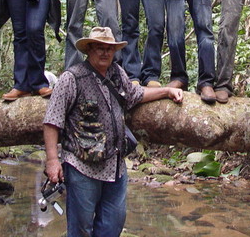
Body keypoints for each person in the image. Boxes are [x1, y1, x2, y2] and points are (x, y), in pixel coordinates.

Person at [43, 27, 183, 237]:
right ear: (89, 49)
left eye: (109, 48)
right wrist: (52, 161)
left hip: (115, 166)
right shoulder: (72, 78)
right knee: (80, 229)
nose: (105, 53)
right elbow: (52, 121)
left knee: (112, 226)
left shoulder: (117, 74)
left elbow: (136, 94)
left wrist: (167, 90)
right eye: (100, 48)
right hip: (82, 167)